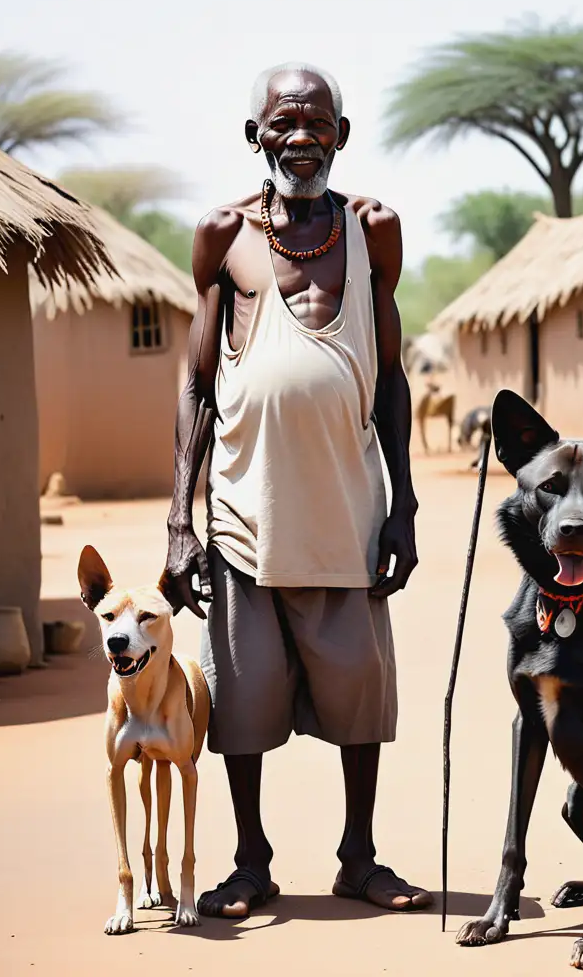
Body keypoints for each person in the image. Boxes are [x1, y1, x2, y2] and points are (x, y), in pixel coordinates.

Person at [164, 62, 432, 918]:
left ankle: (359, 857)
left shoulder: (373, 232)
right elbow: (198, 384)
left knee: (361, 695)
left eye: (317, 123)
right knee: (242, 703)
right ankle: (250, 862)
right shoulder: (221, 236)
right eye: (283, 124)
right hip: (247, 518)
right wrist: (180, 519)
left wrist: (405, 504)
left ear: (342, 136)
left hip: (347, 519)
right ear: (256, 137)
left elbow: (391, 377)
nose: (301, 138)